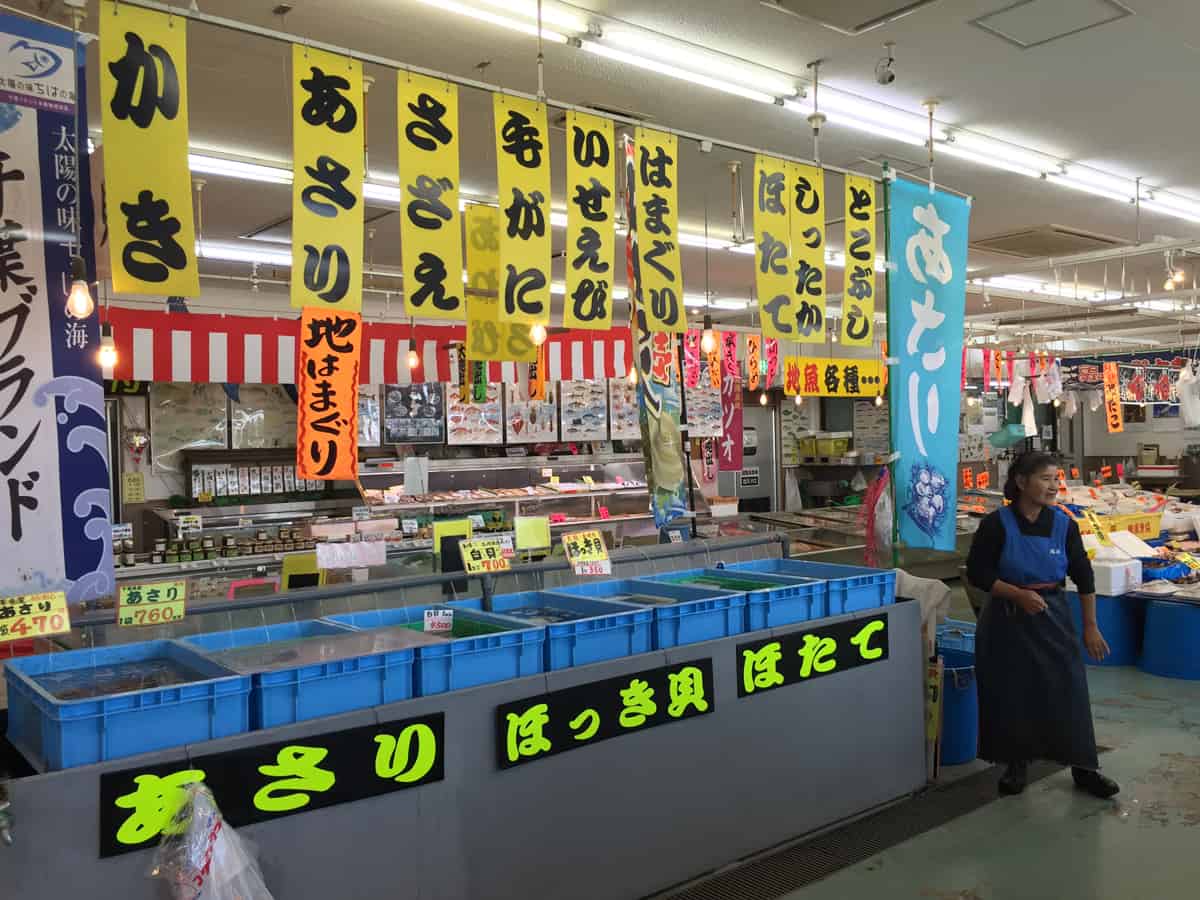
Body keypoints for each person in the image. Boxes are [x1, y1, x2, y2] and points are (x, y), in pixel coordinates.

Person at [965, 452, 1120, 798]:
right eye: (1046, 478)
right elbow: (978, 573)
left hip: (1053, 616)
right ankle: (1015, 765)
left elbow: (1083, 575)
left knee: (1069, 690)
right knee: (1012, 693)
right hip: (1006, 620)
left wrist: (1090, 627)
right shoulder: (996, 523)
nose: (1054, 486)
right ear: (1021, 482)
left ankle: (1085, 768)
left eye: (1056, 479)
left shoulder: (1064, 524)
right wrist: (1016, 594)